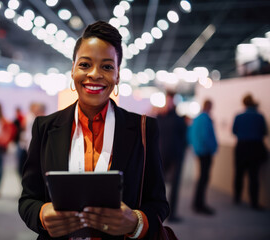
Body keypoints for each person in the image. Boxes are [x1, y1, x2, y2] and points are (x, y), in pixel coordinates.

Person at [18, 21, 169, 239]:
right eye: (85, 65)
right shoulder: (45, 127)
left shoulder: (142, 129)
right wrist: (42, 214)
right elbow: (28, 199)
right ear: (72, 69)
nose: (95, 74)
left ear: (117, 75)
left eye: (107, 67)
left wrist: (136, 223)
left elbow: (159, 203)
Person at [232, 94, 268, 210]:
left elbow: (234, 131)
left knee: (239, 174)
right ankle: (254, 202)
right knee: (254, 176)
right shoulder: (259, 116)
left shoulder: (239, 116)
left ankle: (237, 198)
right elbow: (264, 132)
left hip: (241, 147)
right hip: (255, 148)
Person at [157, 91, 187, 222]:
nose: (170, 102)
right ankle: (159, 213)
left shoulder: (179, 119)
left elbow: (184, 137)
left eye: (172, 100)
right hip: (161, 156)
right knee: (158, 186)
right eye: (168, 99)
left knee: (175, 186)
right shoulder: (158, 117)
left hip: (176, 156)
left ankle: (172, 214)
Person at [188, 99, 217, 215]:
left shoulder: (197, 118)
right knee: (203, 179)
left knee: (201, 178)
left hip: (200, 151)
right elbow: (206, 136)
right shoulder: (205, 119)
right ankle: (199, 205)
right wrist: (212, 148)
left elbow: (190, 134)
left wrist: (196, 148)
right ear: (209, 106)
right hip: (205, 152)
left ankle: (197, 203)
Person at [17, 102, 46, 176]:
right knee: (23, 168)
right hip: (28, 145)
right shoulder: (31, 118)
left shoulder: (42, 121)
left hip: (35, 147)